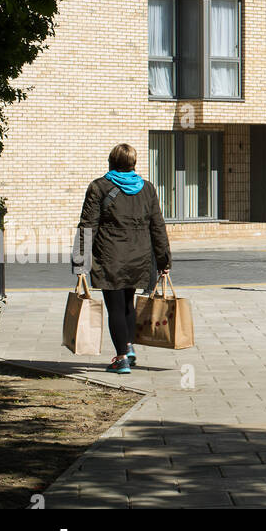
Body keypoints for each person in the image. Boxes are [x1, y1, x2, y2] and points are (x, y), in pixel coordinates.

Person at [71, 143, 171, 374]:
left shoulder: (99, 187)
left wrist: (80, 262)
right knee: (128, 303)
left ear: (111, 162)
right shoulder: (147, 188)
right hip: (140, 257)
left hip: (110, 257)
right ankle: (128, 346)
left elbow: (87, 226)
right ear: (133, 164)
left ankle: (121, 358)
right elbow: (157, 227)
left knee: (115, 307)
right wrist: (164, 261)